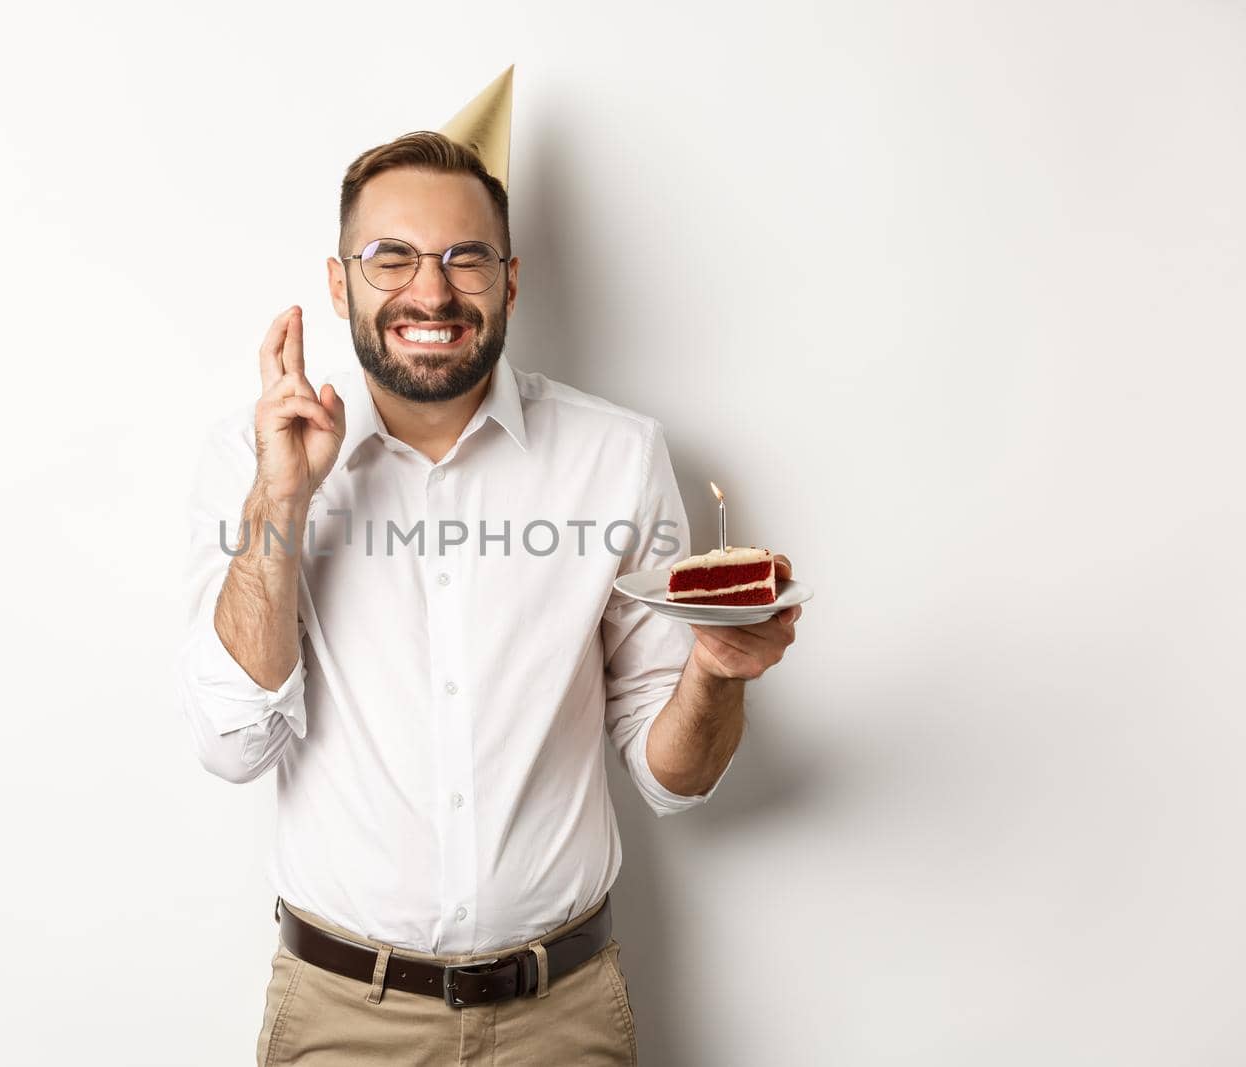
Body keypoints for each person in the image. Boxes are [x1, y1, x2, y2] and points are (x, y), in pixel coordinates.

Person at [178, 109, 803, 1066]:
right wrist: (281, 500)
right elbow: (232, 746)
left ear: (511, 281)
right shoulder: (253, 459)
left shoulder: (617, 455)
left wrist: (716, 669)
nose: (431, 289)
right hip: (344, 1019)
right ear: (339, 285)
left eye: (467, 257)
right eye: (392, 256)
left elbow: (672, 777)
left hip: (566, 1015)